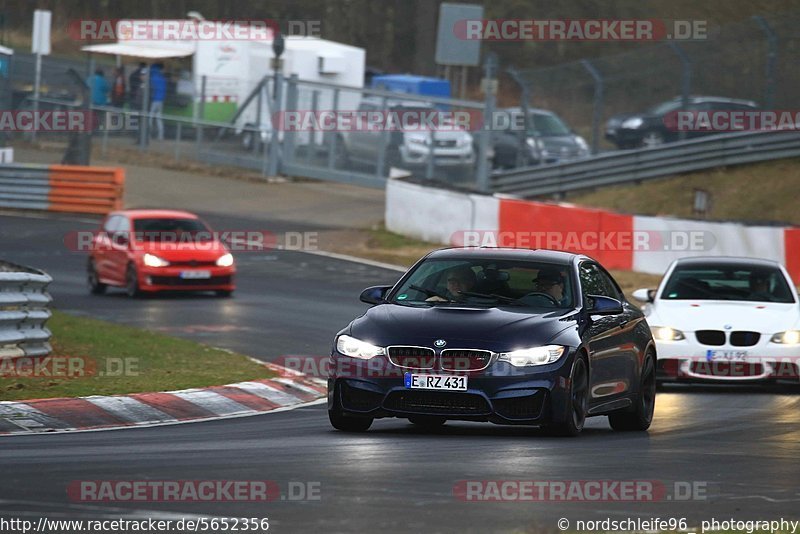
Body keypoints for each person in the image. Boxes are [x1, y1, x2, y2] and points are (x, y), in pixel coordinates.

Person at [149, 63, 167, 141]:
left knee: (149, 117)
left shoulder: (152, 77)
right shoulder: (162, 78)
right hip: (160, 100)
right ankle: (160, 136)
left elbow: (150, 89)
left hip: (153, 100)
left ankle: (148, 135)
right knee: (159, 118)